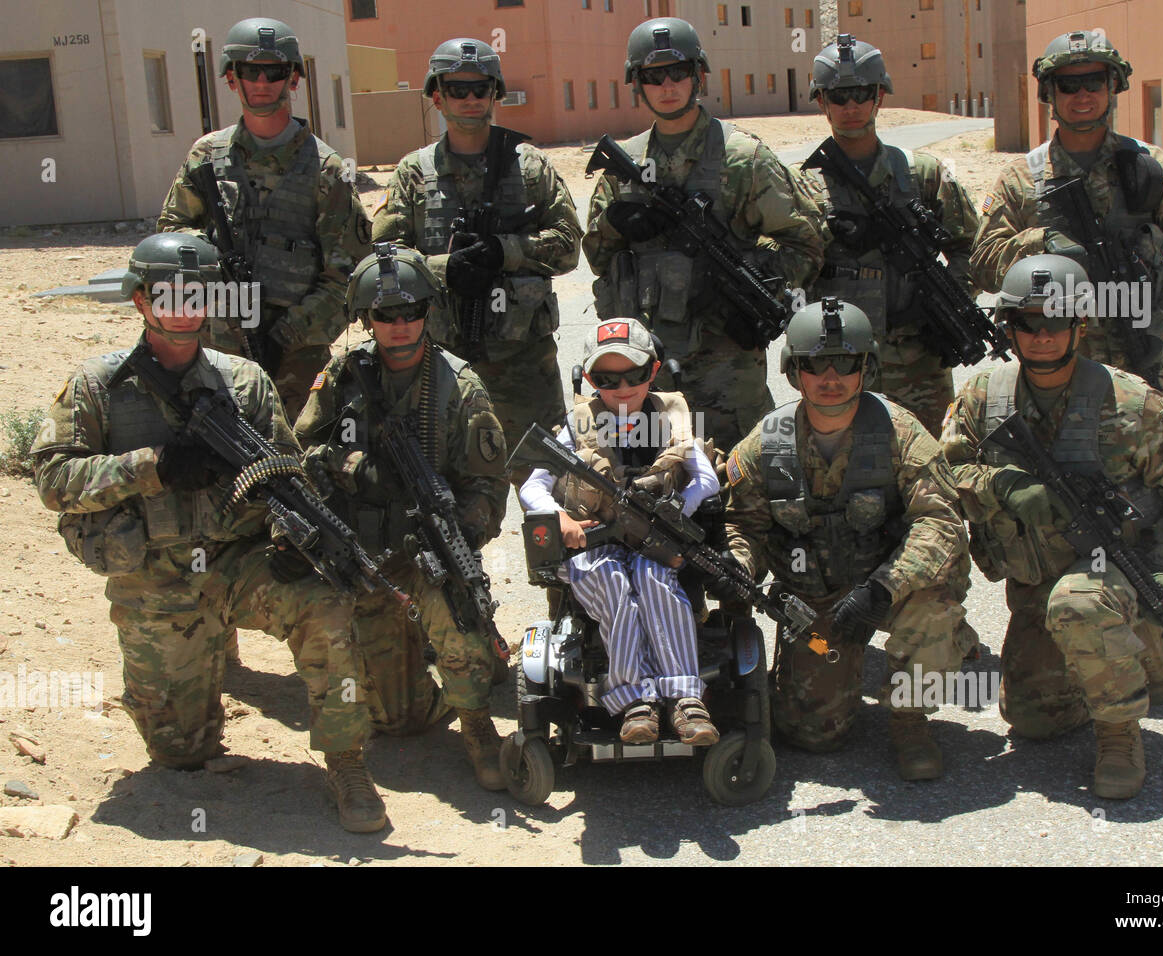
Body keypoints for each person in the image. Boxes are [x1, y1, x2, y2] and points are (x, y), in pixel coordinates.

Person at [30, 234, 386, 833]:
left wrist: (291, 536)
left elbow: (286, 472)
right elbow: (52, 478)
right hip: (156, 581)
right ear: (141, 300)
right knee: (182, 753)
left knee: (325, 606)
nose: (185, 307)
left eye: (198, 294)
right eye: (170, 295)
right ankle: (189, 682)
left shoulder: (243, 382)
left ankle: (347, 761)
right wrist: (154, 467)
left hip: (236, 565)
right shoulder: (100, 385)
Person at [939, 254, 1163, 798]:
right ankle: (1133, 654)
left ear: (1080, 325)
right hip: (1033, 582)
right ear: (1010, 329)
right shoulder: (984, 398)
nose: (1041, 336)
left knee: (1080, 605)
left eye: (1057, 321)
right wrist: (1003, 487)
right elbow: (943, 473)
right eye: (1027, 323)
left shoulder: (1133, 404)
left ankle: (1119, 734)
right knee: (1033, 721)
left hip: (1110, 572)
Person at [723, 298, 974, 780]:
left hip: (891, 587)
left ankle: (910, 719)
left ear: (868, 368)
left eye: (846, 362)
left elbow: (940, 523)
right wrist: (739, 565)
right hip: (817, 598)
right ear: (795, 371)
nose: (830, 376)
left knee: (934, 611)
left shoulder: (902, 435)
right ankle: (822, 672)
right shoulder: (765, 444)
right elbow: (744, 525)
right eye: (816, 363)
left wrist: (882, 589)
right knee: (813, 737)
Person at [294, 244, 510, 790]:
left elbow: (487, 484)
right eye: (384, 315)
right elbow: (300, 452)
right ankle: (428, 675)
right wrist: (355, 466)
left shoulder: (459, 386)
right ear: (367, 319)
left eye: (410, 312)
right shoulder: (344, 373)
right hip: (365, 553)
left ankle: (478, 723)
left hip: (425, 550)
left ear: (427, 312)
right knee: (399, 721)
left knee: (457, 611)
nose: (398, 325)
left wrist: (460, 531)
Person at [583, 16, 823, 452]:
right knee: (646, 489)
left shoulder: (741, 158)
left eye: (679, 72)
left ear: (699, 75)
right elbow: (599, 257)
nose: (668, 85)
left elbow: (804, 245)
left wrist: (737, 286)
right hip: (641, 369)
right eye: (654, 76)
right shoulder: (625, 164)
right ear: (637, 83)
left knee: (741, 484)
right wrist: (616, 223)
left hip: (726, 363)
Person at [371, 38, 580, 478]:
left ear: (495, 94)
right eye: (456, 89)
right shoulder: (413, 173)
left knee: (547, 487)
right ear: (436, 96)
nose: (469, 99)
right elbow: (381, 262)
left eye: (480, 89)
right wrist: (446, 268)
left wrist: (506, 251)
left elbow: (568, 245)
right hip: (441, 361)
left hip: (524, 359)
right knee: (443, 490)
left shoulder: (530, 167)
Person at [970, 30, 1163, 385]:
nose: (1082, 95)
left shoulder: (1151, 169)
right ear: (1049, 94)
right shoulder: (1021, 178)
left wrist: (1160, 333)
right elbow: (983, 264)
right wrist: (1040, 242)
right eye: (1069, 85)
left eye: (1094, 82)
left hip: (1138, 361)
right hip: (1049, 370)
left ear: (1112, 87)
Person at [157, 15, 371, 421]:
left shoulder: (325, 169)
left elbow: (349, 275)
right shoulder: (206, 156)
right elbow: (170, 236)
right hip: (213, 346)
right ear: (231, 79)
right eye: (250, 71)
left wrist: (287, 334)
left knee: (295, 466)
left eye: (273, 72)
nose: (261, 82)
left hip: (294, 359)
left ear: (292, 79)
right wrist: (211, 268)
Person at [518, 318, 722, 744]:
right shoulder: (580, 425)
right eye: (608, 379)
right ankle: (635, 701)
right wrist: (561, 519)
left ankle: (685, 697)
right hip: (595, 543)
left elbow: (707, 480)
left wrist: (675, 511)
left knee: (653, 578)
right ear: (591, 380)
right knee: (609, 580)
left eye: (634, 375)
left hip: (654, 542)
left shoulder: (672, 417)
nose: (623, 387)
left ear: (654, 370)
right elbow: (533, 485)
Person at [801, 35, 981, 437]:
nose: (850, 107)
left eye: (861, 94)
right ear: (821, 102)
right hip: (835, 365)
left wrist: (943, 304)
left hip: (918, 362)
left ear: (879, 97)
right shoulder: (803, 186)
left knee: (927, 469)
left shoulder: (922, 175)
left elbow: (973, 247)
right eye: (838, 96)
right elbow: (784, 260)